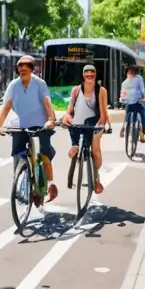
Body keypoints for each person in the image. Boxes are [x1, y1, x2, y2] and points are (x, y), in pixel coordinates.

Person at [0, 55, 58, 204]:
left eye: (26, 66)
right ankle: (18, 182)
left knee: (44, 153)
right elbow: (7, 106)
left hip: (41, 123)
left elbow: (47, 102)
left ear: (32, 69)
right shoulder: (14, 85)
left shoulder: (39, 84)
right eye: (20, 66)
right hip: (21, 124)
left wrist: (50, 119)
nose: (22, 68)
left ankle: (49, 184)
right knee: (17, 153)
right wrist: (0, 125)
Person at [60, 63, 110, 194]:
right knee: (73, 129)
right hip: (78, 123)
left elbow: (103, 110)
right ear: (83, 75)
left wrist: (101, 125)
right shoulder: (76, 90)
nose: (89, 74)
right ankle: (75, 146)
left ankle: (96, 177)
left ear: (95, 74)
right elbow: (70, 108)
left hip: (95, 124)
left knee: (95, 151)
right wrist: (67, 116)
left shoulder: (102, 90)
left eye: (92, 72)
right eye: (86, 72)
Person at [119, 65, 145, 143]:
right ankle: (130, 131)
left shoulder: (136, 79)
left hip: (135, 102)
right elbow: (123, 93)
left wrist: (143, 96)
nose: (131, 72)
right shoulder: (125, 82)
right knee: (131, 118)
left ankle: (139, 130)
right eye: (129, 71)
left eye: (132, 71)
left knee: (137, 116)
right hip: (132, 102)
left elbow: (142, 88)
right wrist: (122, 99)